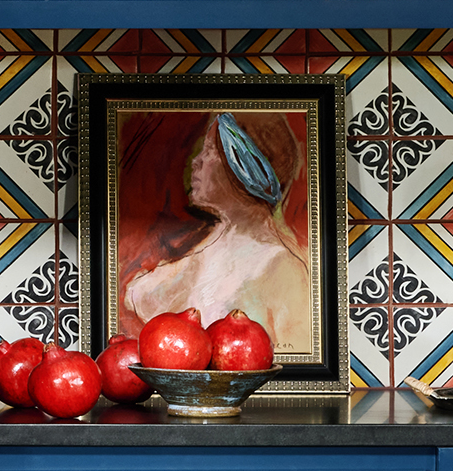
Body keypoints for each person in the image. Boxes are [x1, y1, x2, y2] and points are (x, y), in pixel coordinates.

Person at [123, 110, 312, 352]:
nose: (196, 161)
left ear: (244, 168)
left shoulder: (284, 269)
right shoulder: (210, 250)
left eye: (209, 152)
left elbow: (294, 357)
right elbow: (141, 295)